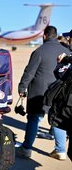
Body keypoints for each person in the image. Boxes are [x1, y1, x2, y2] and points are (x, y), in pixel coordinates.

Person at [16, 26, 70, 160]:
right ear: (56, 36)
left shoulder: (39, 51)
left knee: (34, 119)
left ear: (44, 36)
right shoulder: (66, 51)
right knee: (58, 120)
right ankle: (61, 150)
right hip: (60, 91)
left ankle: (27, 149)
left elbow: (29, 72)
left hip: (39, 92)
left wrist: (22, 88)